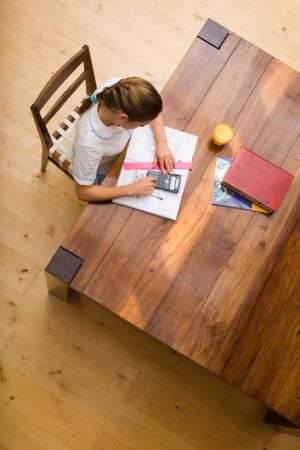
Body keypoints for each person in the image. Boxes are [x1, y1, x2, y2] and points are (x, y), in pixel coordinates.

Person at [73, 76, 176, 202]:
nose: (142, 127)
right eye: (141, 125)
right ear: (123, 118)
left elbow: (153, 111)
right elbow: (83, 192)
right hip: (103, 164)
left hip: (124, 149)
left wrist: (162, 143)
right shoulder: (89, 145)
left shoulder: (120, 89)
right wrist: (131, 189)